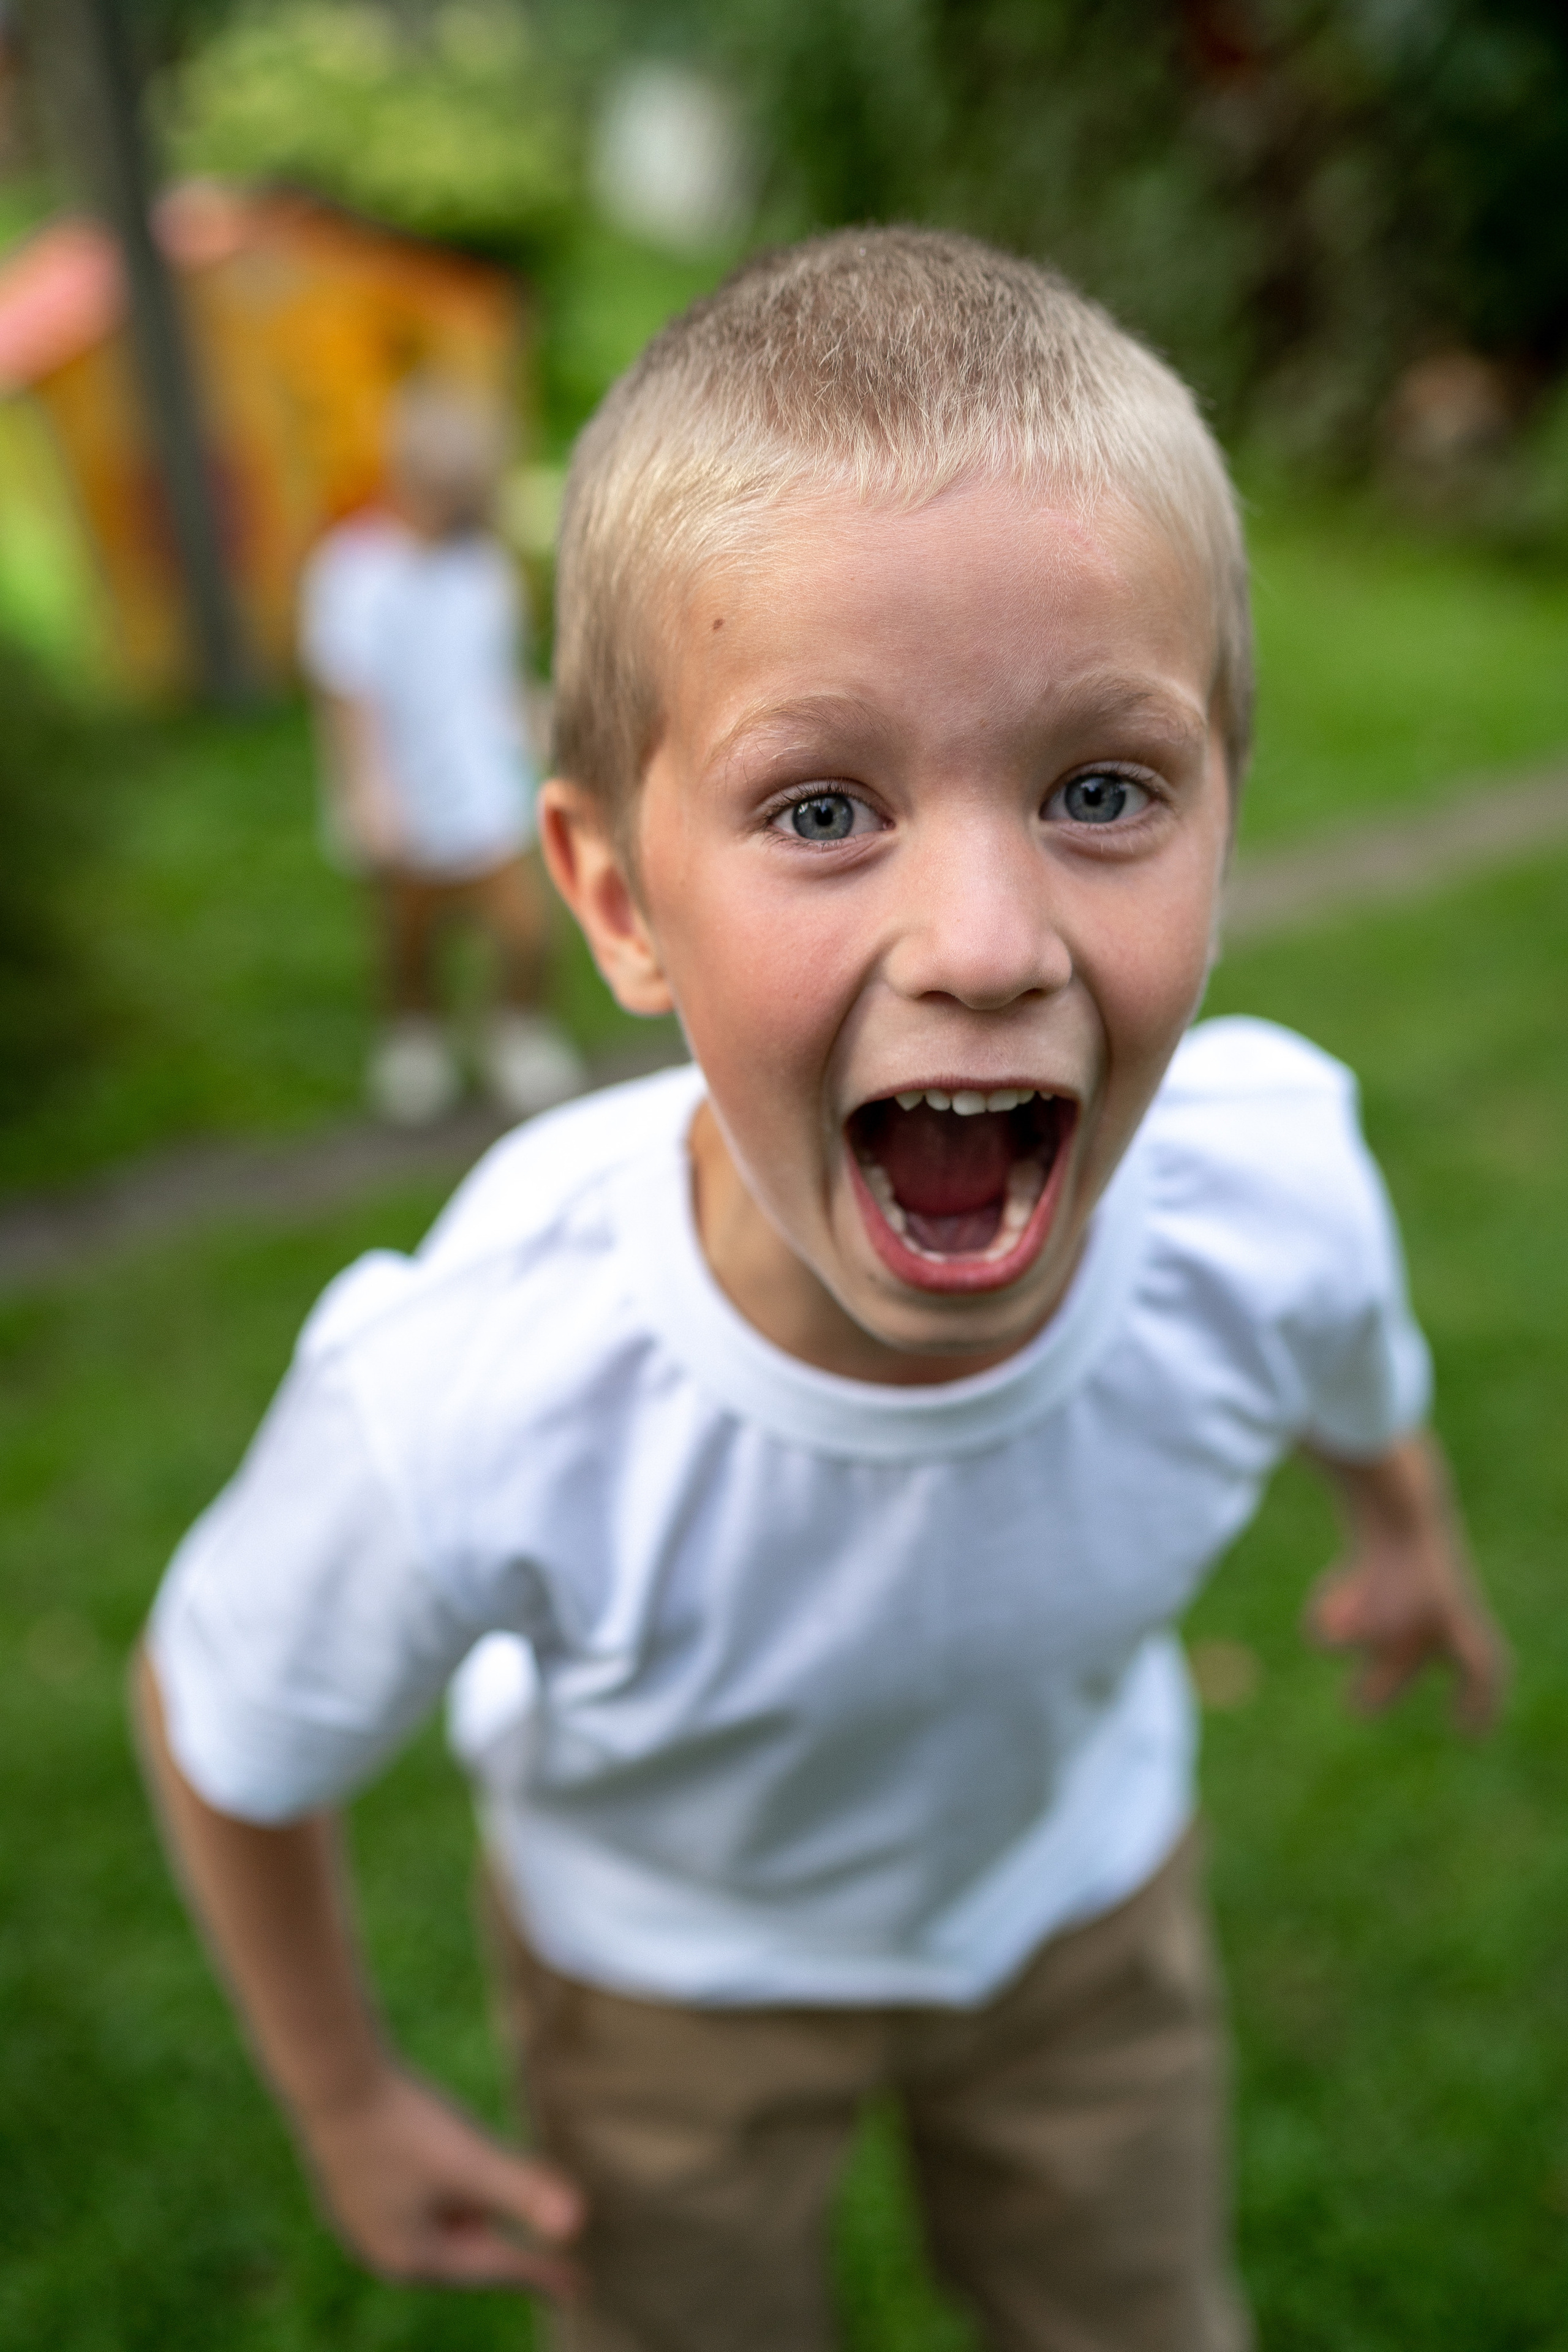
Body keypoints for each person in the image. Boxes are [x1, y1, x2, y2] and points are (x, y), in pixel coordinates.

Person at [136, 231, 1507, 2352]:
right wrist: (343, 2097)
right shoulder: (482, 1389)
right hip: (664, 1979)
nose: (982, 938)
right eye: (825, 806)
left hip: (1078, 1904)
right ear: (612, 895)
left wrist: (1404, 1533)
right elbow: (229, 1724)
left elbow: (1355, 1364)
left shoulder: (1270, 1192)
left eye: (1102, 790)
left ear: (1229, 818)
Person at [299, 377, 584, 1125]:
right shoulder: (353, 570)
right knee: (410, 937)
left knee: (526, 928)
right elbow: (347, 692)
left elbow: (494, 674)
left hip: (485, 784)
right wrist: (369, 791)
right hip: (405, 791)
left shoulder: (482, 568)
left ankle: (514, 1031)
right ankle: (414, 1040)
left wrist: (542, 720)